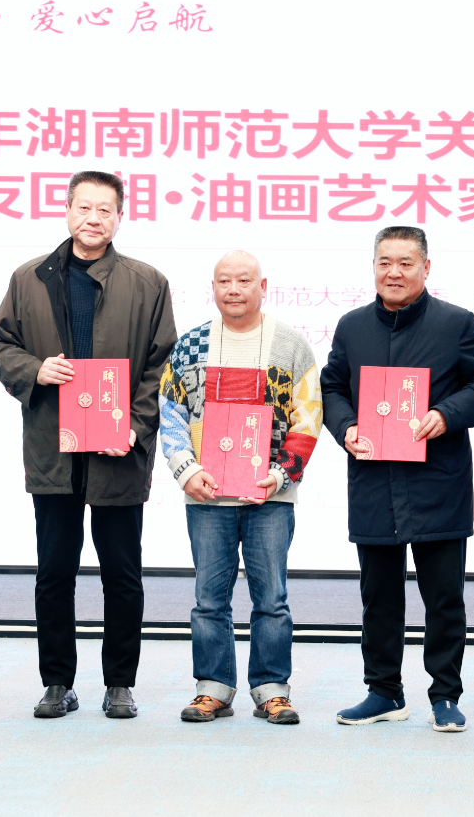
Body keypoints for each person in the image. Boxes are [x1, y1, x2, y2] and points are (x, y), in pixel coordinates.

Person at [0, 171, 177, 720]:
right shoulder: (30, 277)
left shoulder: (147, 282)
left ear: (120, 217)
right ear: (67, 210)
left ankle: (120, 683)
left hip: (119, 451)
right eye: (84, 207)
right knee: (54, 573)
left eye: (105, 210)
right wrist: (34, 369)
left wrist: (134, 426)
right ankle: (57, 683)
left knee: (122, 575)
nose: (93, 219)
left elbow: (161, 365)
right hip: (55, 449)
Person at [320, 226, 474, 733]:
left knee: (444, 598)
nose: (393, 272)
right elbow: (332, 386)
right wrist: (346, 426)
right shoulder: (352, 326)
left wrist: (446, 414)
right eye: (384, 262)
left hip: (436, 480)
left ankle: (445, 695)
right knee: (378, 596)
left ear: (426, 268)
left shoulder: (455, 322)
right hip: (373, 479)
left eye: (405, 263)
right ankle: (383, 692)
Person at [158, 251, 323, 725]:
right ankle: (213, 688)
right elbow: (169, 411)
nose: (233, 289)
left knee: (271, 599)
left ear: (262, 286)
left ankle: (272, 689)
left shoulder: (290, 345)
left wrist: (280, 474)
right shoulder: (191, 345)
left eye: (244, 280)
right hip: (206, 496)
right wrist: (186, 470)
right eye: (224, 281)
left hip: (270, 496)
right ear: (213, 287)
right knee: (209, 600)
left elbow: (309, 415)